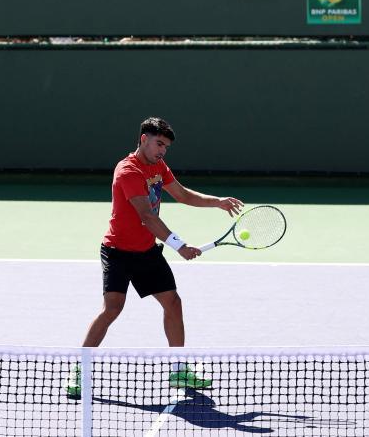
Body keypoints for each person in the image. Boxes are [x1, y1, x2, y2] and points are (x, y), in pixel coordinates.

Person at [67, 117, 242, 398]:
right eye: (159, 144)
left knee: (173, 302)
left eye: (166, 147)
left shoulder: (158, 166)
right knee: (113, 308)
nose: (163, 151)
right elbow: (147, 216)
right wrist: (179, 245)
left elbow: (182, 195)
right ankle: (81, 369)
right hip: (118, 251)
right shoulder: (127, 171)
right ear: (143, 139)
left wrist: (217, 202)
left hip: (146, 251)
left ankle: (179, 370)